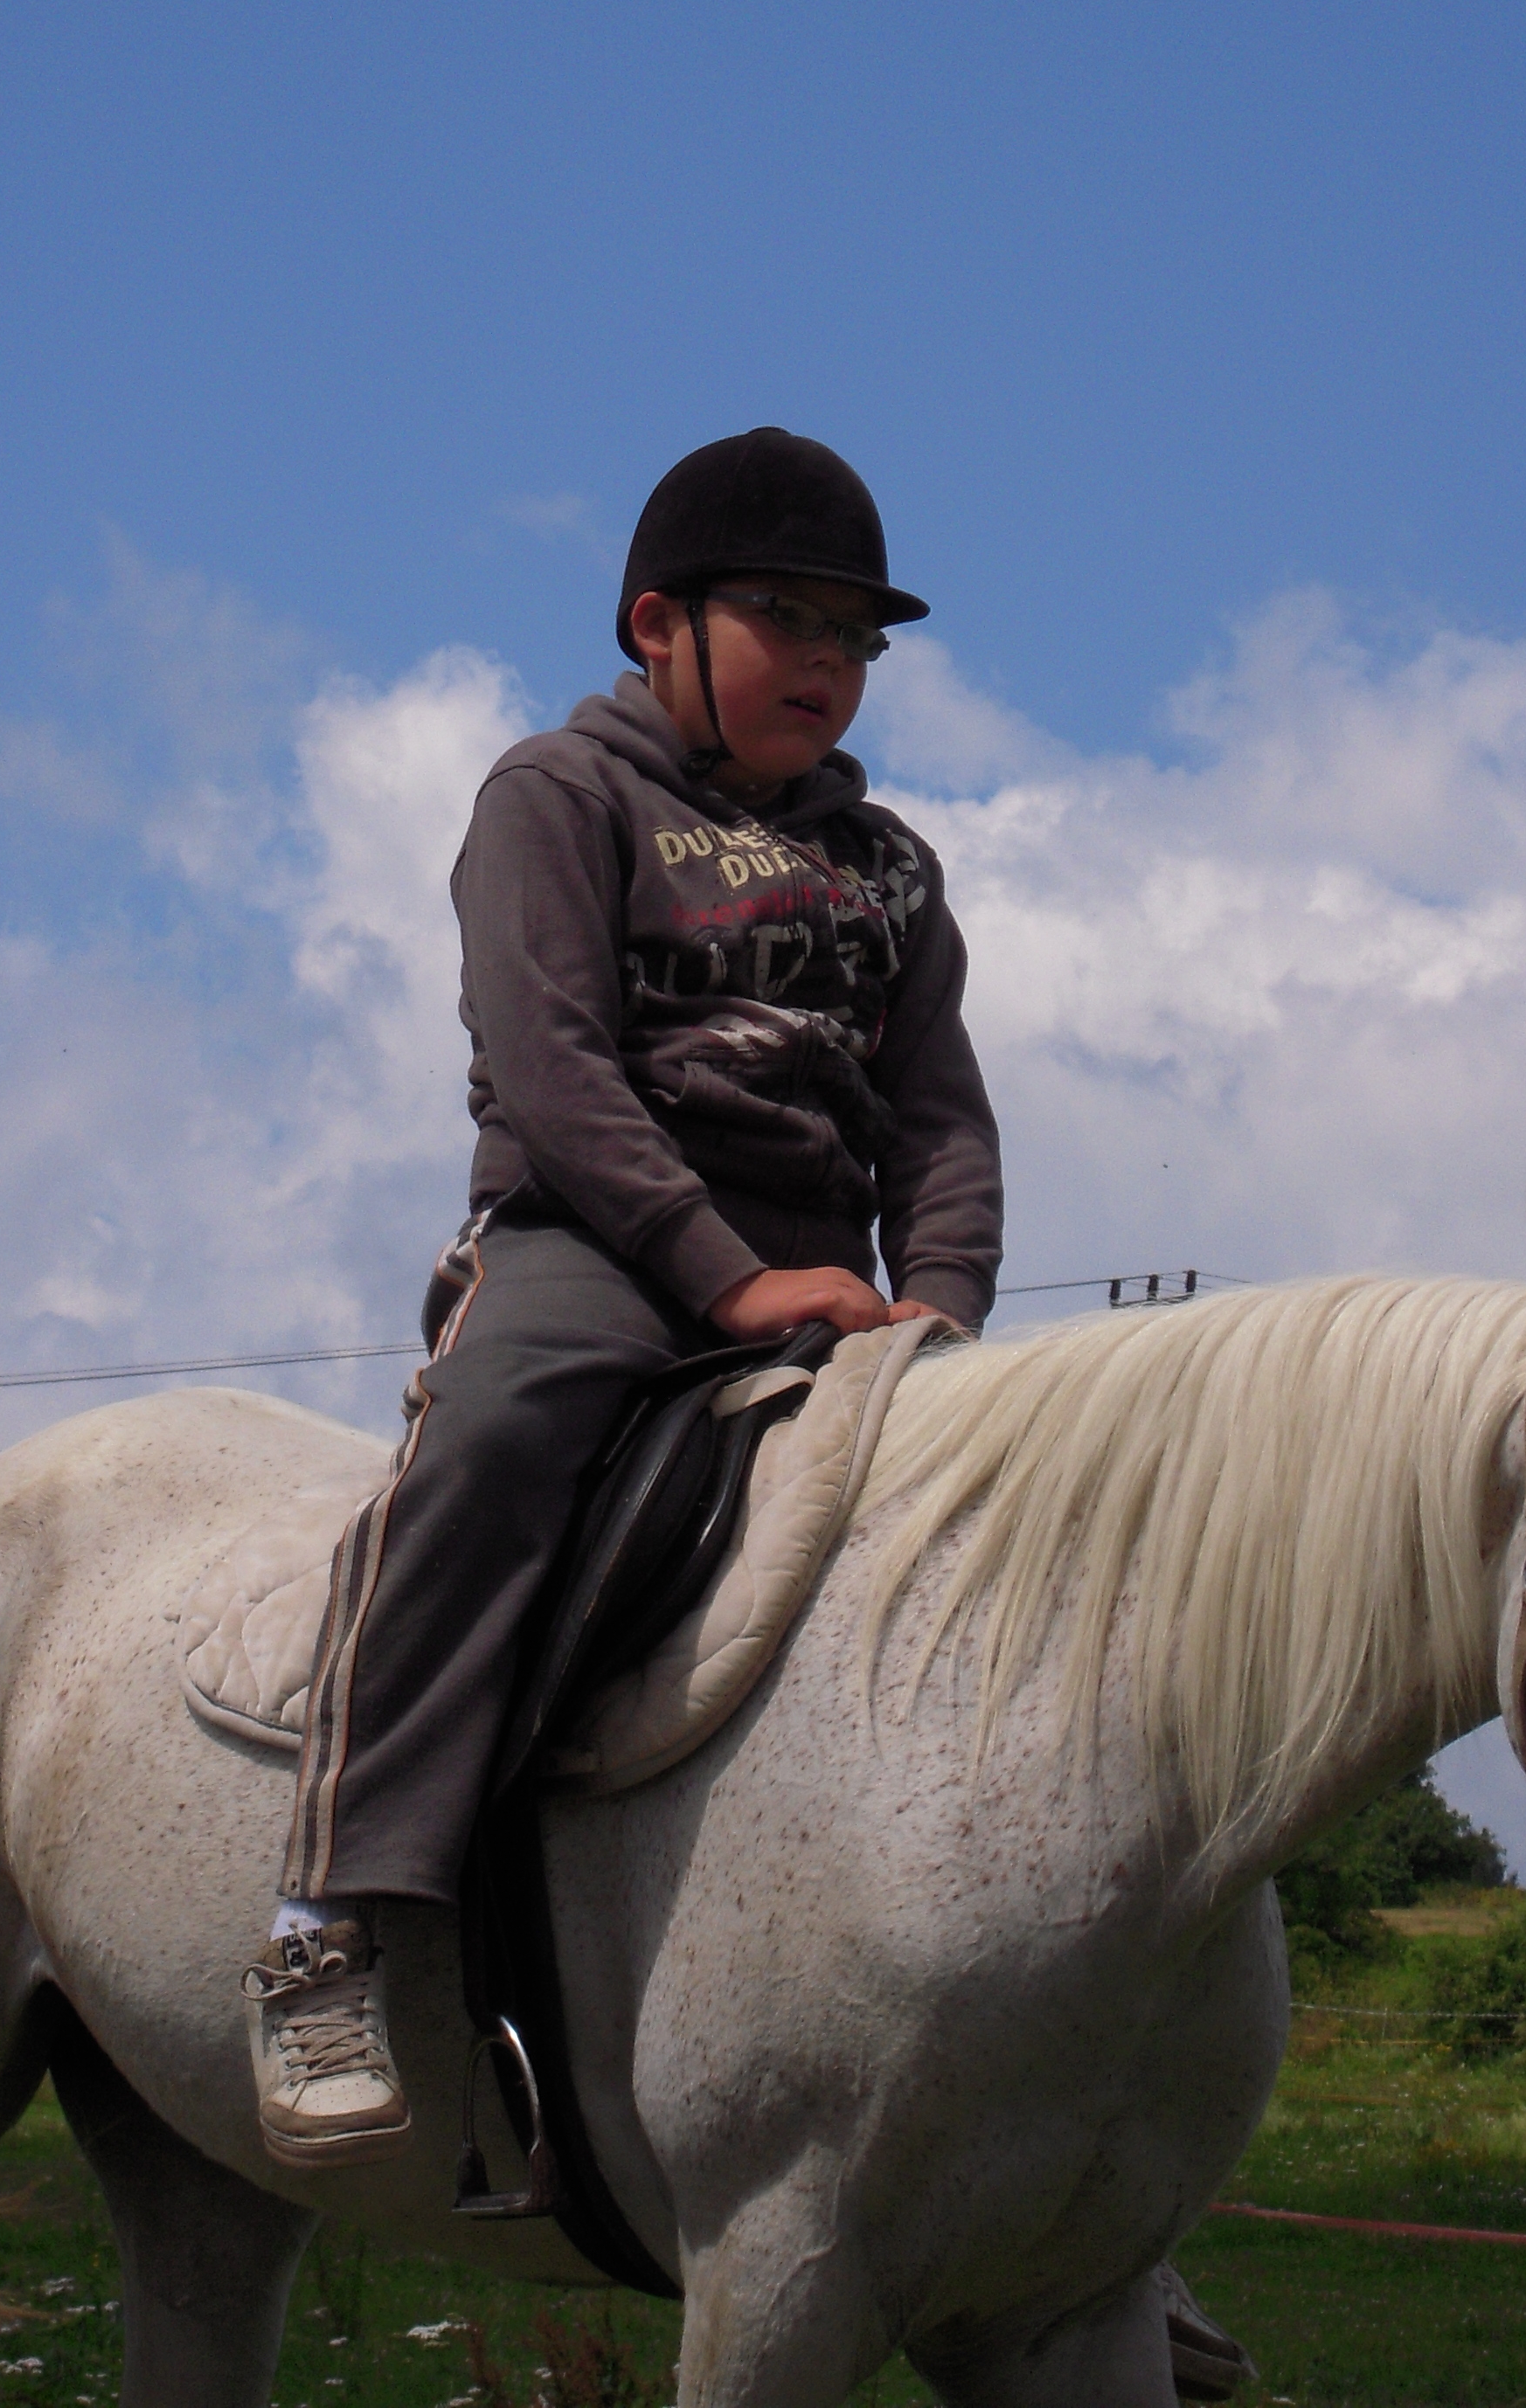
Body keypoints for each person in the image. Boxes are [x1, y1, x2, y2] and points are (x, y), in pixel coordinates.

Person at [243, 426, 1003, 2169]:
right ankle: (328, 1918)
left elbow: (943, 1119)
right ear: (659, 622)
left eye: (858, 638)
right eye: (789, 618)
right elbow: (556, 1070)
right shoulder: (558, 798)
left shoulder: (890, 869)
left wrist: (946, 1307)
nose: (830, 661)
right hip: (595, 1244)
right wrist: (727, 1280)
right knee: (497, 1436)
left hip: (830, 1281)